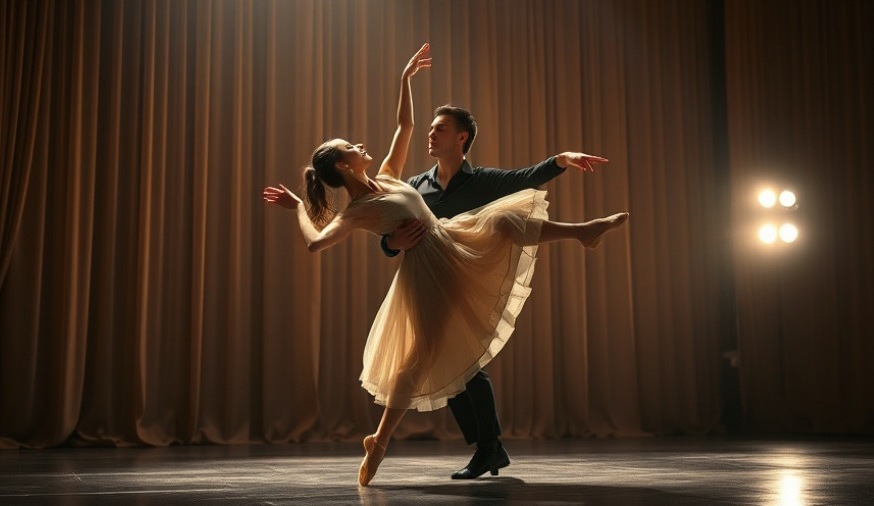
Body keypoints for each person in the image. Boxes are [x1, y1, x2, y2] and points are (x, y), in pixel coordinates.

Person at [263, 43, 628, 486]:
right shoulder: (358, 210)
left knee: (506, 218)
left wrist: (405, 79)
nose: (362, 145)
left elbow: (405, 124)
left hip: (454, 244)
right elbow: (316, 244)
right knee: (423, 360)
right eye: (351, 147)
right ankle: (379, 442)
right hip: (428, 276)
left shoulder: (390, 177)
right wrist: (302, 207)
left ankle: (582, 231)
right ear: (343, 164)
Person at [380, 104, 610, 480]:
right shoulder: (416, 186)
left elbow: (527, 177)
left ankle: (488, 448)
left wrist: (562, 160)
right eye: (430, 128)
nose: (430, 134)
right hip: (425, 284)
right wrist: (392, 241)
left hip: (467, 280)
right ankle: (490, 449)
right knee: (453, 367)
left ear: (461, 138)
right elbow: (386, 236)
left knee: (464, 364)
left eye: (439, 129)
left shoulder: (483, 180)